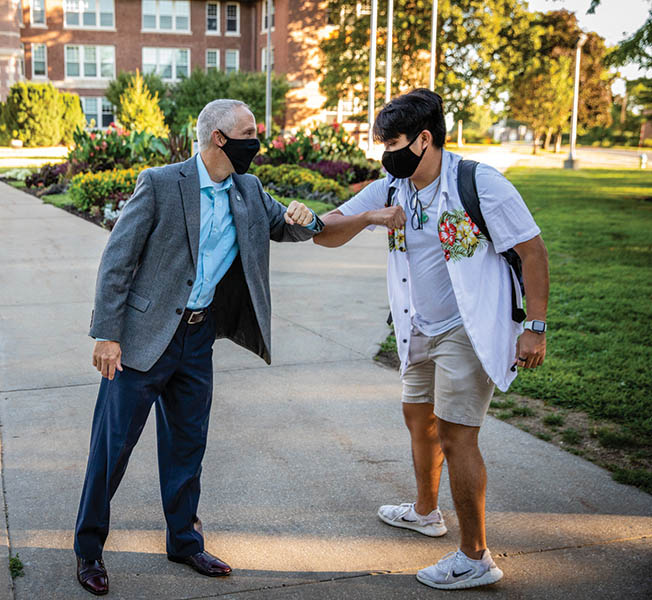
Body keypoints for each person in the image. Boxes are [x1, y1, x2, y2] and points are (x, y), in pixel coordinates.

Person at [73, 99, 323, 596]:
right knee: (112, 448)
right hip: (143, 341)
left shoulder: (249, 189)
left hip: (197, 338)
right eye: (250, 131)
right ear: (219, 138)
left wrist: (307, 218)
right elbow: (117, 261)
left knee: (188, 447)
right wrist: (107, 333)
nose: (259, 138)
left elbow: (286, 226)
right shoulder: (162, 183)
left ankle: (185, 542)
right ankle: (89, 550)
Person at [314, 89, 549, 591]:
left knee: (457, 434)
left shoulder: (479, 184)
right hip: (418, 324)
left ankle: (475, 556)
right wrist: (370, 217)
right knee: (417, 417)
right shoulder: (393, 188)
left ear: (424, 139)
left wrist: (535, 326)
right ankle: (425, 512)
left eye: (393, 142)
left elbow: (533, 251)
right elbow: (326, 230)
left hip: (468, 325)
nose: (386, 153)